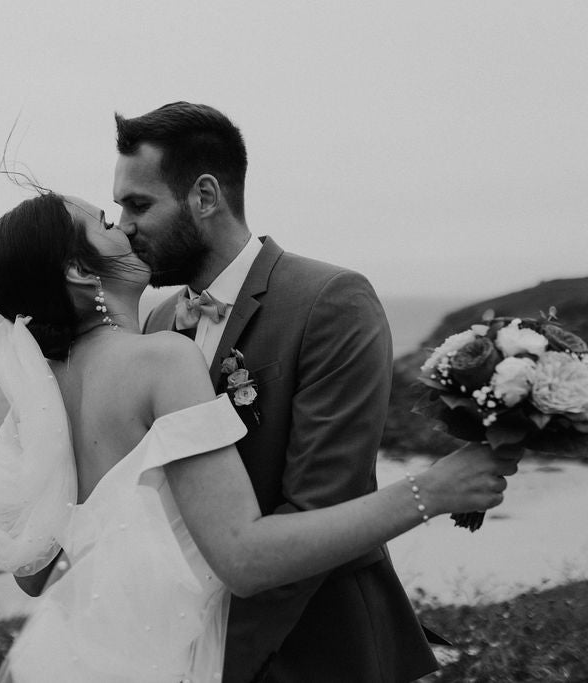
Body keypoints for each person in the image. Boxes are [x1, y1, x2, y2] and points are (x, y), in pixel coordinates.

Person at [0, 191, 521, 682]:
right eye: (104, 222)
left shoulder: (39, 397)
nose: (125, 228)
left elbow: (36, 571)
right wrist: (436, 490)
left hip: (97, 659)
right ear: (77, 269)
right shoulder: (161, 359)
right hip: (193, 660)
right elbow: (243, 560)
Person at [112, 101, 437, 682]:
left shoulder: (330, 300)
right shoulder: (159, 322)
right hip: (190, 641)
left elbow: (323, 507)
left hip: (319, 648)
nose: (124, 226)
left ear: (205, 196)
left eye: (138, 204)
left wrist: (219, 660)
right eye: (118, 207)